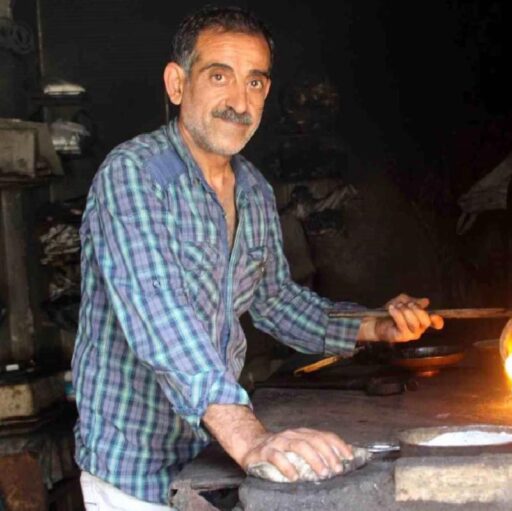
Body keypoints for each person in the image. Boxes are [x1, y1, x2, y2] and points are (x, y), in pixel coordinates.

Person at [72, 5, 444, 509]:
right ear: (177, 84)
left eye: (254, 83)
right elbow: (160, 315)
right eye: (219, 76)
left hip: (209, 457)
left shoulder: (252, 189)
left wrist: (374, 325)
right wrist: (250, 437)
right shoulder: (133, 176)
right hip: (135, 470)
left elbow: (274, 300)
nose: (238, 102)